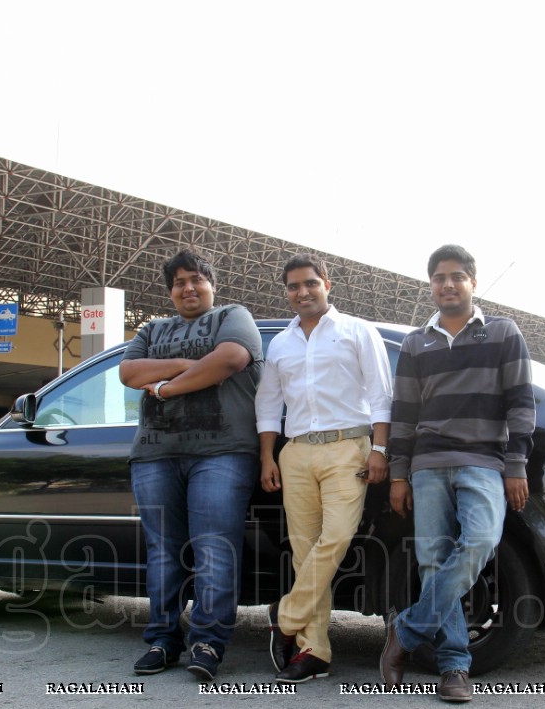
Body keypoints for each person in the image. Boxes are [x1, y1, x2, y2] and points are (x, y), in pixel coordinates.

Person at [378, 244, 536, 703]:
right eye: (439, 277)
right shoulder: (415, 342)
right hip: (427, 466)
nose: (447, 284)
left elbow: (521, 405)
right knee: (432, 560)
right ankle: (453, 667)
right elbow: (404, 415)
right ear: (431, 285)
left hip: (484, 462)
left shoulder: (503, 333)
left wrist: (516, 464)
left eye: (457, 276)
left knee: (482, 541)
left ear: (472, 281)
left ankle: (405, 632)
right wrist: (400, 474)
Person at [120, 249, 263, 682]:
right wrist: (188, 365)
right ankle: (163, 640)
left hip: (223, 452)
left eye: (197, 279)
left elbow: (232, 359)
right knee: (163, 552)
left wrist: (163, 389)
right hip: (154, 454)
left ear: (211, 285)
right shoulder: (152, 329)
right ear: (170, 291)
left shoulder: (233, 317)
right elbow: (128, 372)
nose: (188, 287)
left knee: (214, 549)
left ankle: (208, 642)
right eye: (179, 282)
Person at [255, 253, 393, 684]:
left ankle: (287, 618)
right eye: (294, 286)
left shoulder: (357, 331)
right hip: (295, 452)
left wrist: (381, 449)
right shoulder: (280, 343)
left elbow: (381, 394)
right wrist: (267, 456)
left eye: (310, 283)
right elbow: (268, 404)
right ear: (287, 292)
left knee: (335, 538)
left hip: (347, 448)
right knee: (303, 549)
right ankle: (314, 650)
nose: (303, 292)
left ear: (327, 284)